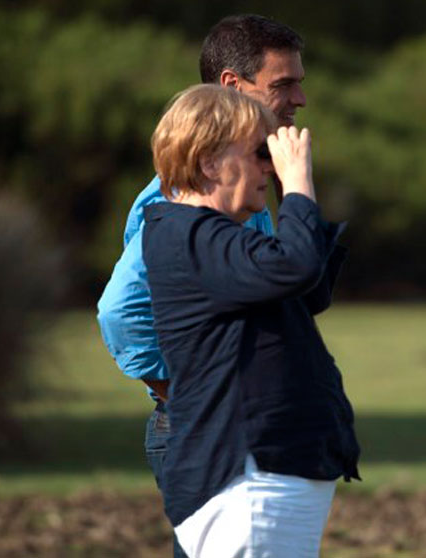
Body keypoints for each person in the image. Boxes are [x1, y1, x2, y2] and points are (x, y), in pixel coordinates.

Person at [97, 14, 308, 558]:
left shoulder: (245, 186)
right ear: (234, 87)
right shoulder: (184, 195)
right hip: (204, 427)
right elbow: (120, 311)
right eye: (283, 84)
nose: (300, 98)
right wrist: (180, 389)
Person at [144, 83, 359, 557]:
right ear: (208, 162)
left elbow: (311, 287)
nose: (269, 164)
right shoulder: (188, 234)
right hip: (249, 486)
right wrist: (298, 181)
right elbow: (297, 266)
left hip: (263, 482)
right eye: (260, 152)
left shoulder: (215, 240)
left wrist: (291, 189)